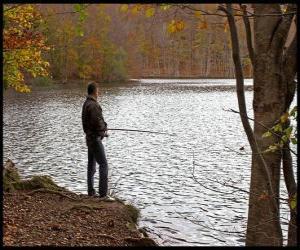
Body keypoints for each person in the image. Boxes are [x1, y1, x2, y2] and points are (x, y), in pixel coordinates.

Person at [81, 82, 114, 201]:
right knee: (103, 164)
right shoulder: (93, 105)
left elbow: (91, 124)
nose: (99, 92)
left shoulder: (86, 103)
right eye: (98, 90)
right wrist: (104, 130)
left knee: (91, 166)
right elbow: (97, 123)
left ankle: (91, 192)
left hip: (89, 139)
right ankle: (103, 195)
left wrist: (102, 131)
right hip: (94, 139)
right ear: (95, 91)